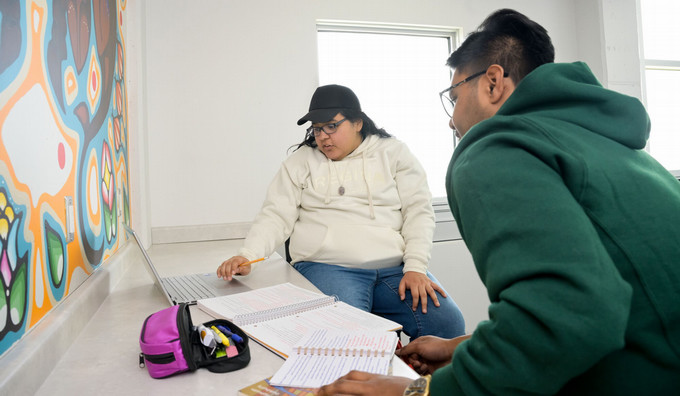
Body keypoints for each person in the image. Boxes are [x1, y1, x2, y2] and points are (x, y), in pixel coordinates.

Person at [318, 8, 680, 396]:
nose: (452, 120)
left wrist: (418, 392)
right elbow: (612, 305)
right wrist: (460, 348)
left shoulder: (494, 148)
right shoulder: (616, 148)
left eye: (453, 97)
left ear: (492, 83)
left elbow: (568, 313)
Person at [216, 84, 465, 340]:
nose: (323, 136)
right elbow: (275, 215)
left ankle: (421, 379)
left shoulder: (393, 153)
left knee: (447, 324)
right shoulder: (301, 161)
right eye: (317, 128)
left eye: (331, 126)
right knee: (348, 337)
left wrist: (416, 267)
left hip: (394, 269)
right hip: (327, 267)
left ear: (358, 122)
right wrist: (248, 255)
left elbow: (418, 212)